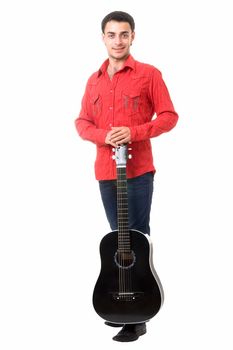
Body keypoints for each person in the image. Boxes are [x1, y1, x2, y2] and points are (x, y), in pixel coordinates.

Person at [75, 11, 178, 342]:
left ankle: (139, 315)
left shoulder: (148, 75)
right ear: (103, 38)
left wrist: (133, 132)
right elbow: (82, 123)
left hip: (136, 173)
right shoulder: (94, 80)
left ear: (133, 37)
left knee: (136, 241)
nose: (117, 40)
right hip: (106, 173)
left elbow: (168, 116)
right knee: (117, 243)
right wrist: (103, 136)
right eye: (111, 35)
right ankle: (123, 298)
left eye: (123, 34)